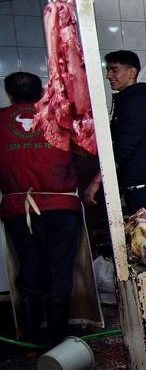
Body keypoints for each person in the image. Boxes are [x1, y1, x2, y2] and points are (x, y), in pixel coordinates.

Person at [0, 72, 83, 351]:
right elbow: (83, 151)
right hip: (61, 209)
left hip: (18, 209)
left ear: (9, 94)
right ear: (41, 94)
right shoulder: (60, 118)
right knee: (59, 271)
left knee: (30, 271)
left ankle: (31, 342)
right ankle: (57, 342)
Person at [83, 50, 146, 216]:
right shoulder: (127, 101)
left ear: (132, 72)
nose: (109, 75)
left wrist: (96, 181)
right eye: (108, 70)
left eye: (114, 70)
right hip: (135, 188)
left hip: (144, 190)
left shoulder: (137, 103)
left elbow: (123, 148)